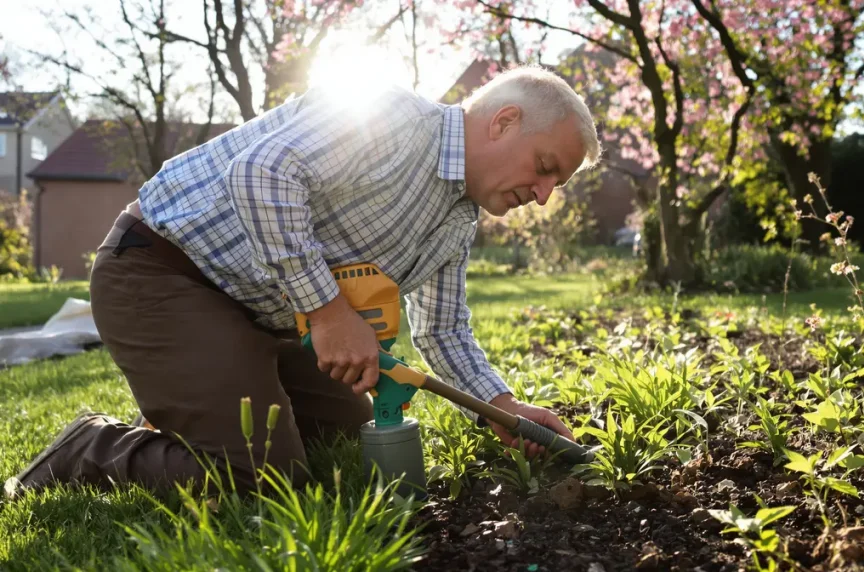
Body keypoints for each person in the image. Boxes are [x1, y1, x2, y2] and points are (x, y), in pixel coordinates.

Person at [4, 64, 602, 499]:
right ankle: (88, 447)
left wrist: (500, 405)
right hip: (162, 270)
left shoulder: (457, 219)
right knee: (265, 478)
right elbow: (262, 173)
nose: (545, 195)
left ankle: (195, 404)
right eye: (546, 167)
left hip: (261, 317)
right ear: (503, 122)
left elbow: (443, 329)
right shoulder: (393, 117)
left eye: (559, 185)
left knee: (343, 440)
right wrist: (328, 311)